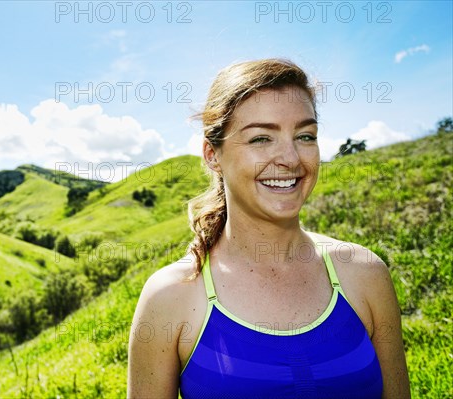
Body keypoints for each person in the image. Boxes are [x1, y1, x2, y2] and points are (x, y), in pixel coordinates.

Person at [127, 59, 410, 398]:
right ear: (212, 155)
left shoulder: (365, 274)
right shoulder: (170, 297)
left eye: (305, 136)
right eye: (261, 138)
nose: (290, 158)